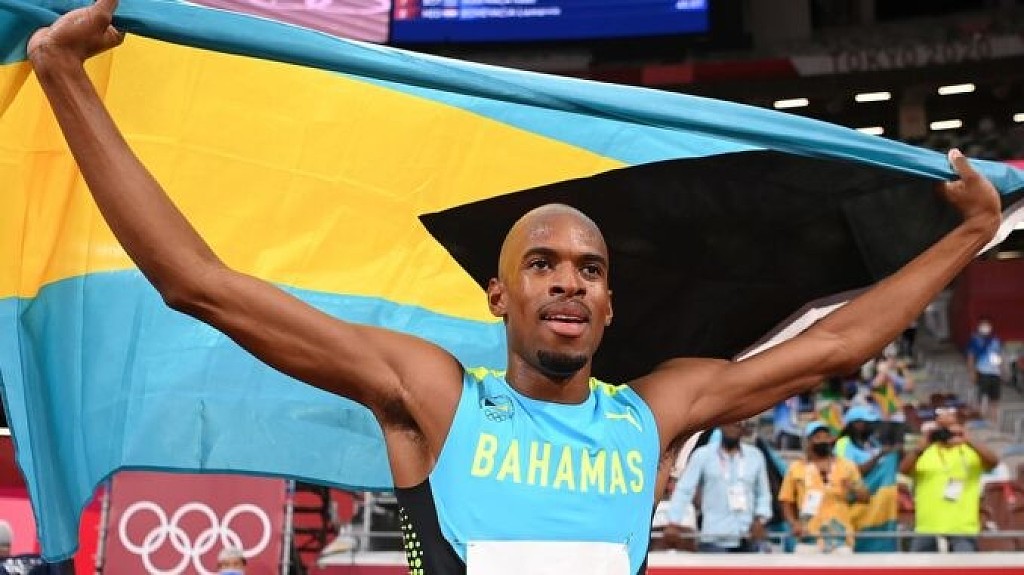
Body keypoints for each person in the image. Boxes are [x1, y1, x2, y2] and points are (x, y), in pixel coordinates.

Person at [26, 1, 1003, 573]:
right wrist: (64, 75)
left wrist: (970, 232)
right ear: (499, 294)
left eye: (590, 268)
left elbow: (836, 345)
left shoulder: (653, 415)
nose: (568, 281)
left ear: (610, 305)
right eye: (542, 263)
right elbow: (198, 283)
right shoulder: (433, 394)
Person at [663, 421, 772, 553]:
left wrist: (760, 520)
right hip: (713, 537)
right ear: (721, 426)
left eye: (737, 425)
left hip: (747, 537)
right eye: (729, 424)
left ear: (743, 429)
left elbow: (763, 494)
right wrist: (673, 522)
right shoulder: (703, 455)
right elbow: (684, 490)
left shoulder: (755, 456)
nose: (732, 429)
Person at [899, 419, 999, 552]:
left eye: (950, 428)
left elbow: (993, 462)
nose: (946, 433)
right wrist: (920, 447)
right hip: (927, 524)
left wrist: (969, 439)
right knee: (919, 563)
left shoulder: (970, 451)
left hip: (962, 525)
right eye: (941, 428)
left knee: (964, 563)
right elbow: (904, 469)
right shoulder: (924, 452)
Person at [779, 421, 869, 554]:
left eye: (826, 436)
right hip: (808, 535)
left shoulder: (847, 466)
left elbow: (865, 497)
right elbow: (786, 500)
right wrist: (794, 523)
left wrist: (853, 489)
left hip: (840, 537)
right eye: (817, 437)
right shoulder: (796, 468)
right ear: (808, 441)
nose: (823, 440)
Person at [966, 317, 1003, 422]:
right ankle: (980, 418)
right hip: (982, 372)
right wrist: (972, 372)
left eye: (987, 325)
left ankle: (993, 419)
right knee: (982, 396)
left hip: (995, 373)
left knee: (995, 398)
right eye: (983, 325)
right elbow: (970, 357)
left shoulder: (996, 340)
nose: (985, 327)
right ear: (979, 326)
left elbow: (999, 355)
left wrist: (1001, 369)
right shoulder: (975, 340)